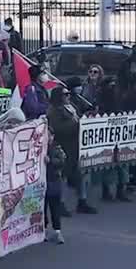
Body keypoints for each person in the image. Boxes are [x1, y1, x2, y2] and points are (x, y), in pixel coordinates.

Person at [48, 86, 94, 215]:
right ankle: (60, 204)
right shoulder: (53, 111)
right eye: (65, 95)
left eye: (68, 94)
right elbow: (57, 128)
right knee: (62, 176)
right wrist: (78, 124)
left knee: (81, 174)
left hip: (75, 146)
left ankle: (82, 201)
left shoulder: (71, 107)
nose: (68, 96)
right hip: (63, 146)